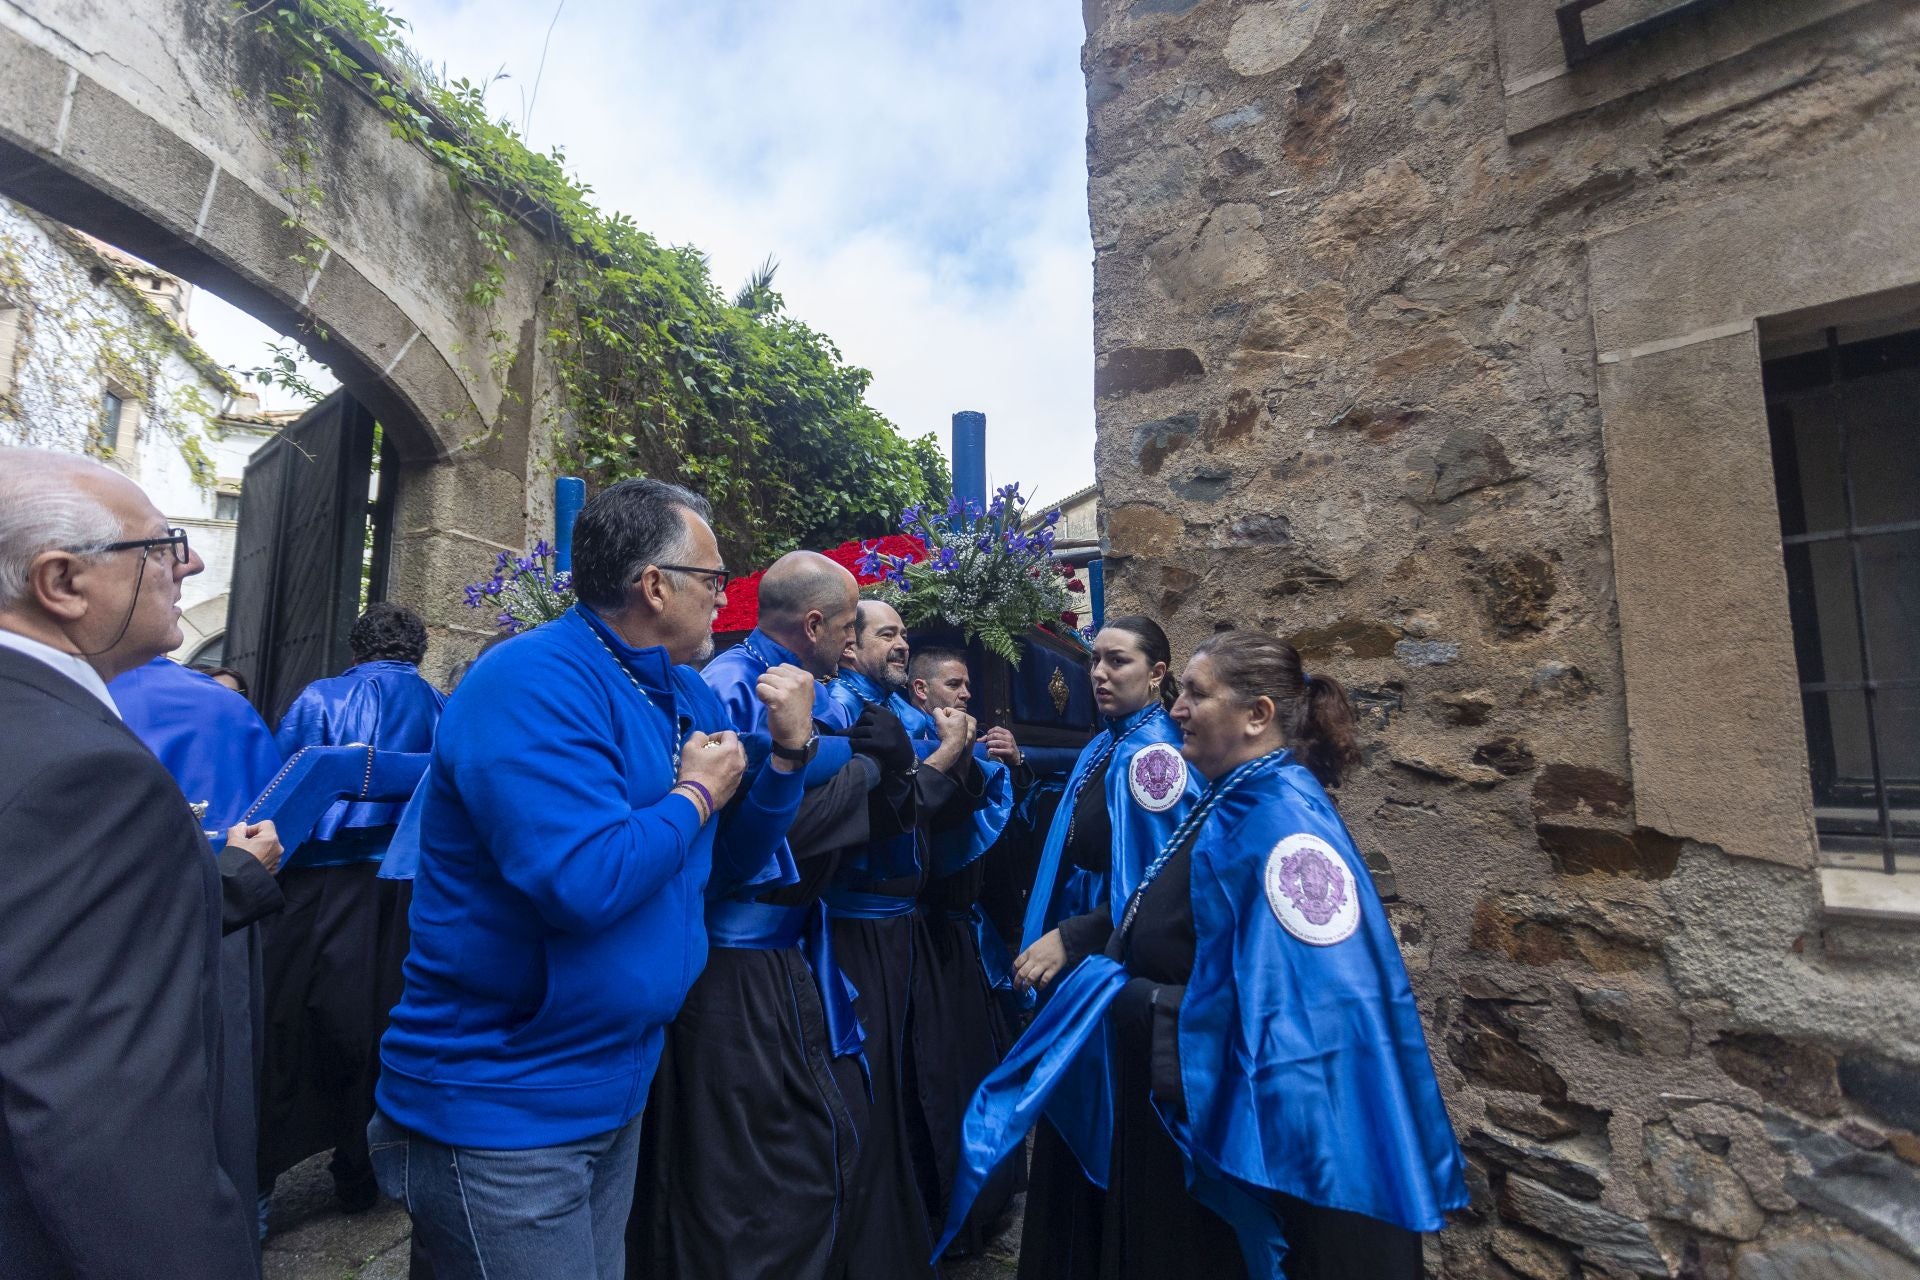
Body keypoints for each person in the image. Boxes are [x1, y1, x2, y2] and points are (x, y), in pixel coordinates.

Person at [370, 478, 812, 1280]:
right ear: (654, 585)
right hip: (503, 1101)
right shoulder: (532, 680)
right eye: (714, 581)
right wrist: (698, 792)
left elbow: (722, 871)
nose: (725, 600)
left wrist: (784, 760)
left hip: (614, 1081)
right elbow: (582, 880)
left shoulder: (675, 690)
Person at [955, 631, 1468, 1278]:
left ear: (1258, 716)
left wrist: (1128, 999)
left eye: (1197, 694)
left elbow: (1313, 1021)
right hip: (1178, 1120)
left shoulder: (1287, 830)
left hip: (1235, 1149)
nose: (1177, 708)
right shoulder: (1235, 796)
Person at [0, 447, 281, 1279]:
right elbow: (108, 1124)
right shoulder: (86, 774)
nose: (188, 563)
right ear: (62, 583)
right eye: (160, 547)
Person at [631, 550, 913, 1280]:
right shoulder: (728, 685)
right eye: (850, 627)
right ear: (814, 623)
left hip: (791, 950)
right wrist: (864, 768)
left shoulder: (817, 683)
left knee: (817, 1136)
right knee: (749, 1166)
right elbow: (746, 840)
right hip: (734, 968)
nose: (855, 644)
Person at [1011, 616, 1201, 1280]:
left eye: (1117, 662)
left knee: (1104, 1125)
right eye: (1094, 661)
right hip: (1084, 959)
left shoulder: (1153, 761)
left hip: (1108, 969)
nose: (1098, 674)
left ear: (1157, 673)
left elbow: (1153, 894)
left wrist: (1076, 934)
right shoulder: (1108, 745)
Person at [259, 602, 448, 1215]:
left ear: (356, 648)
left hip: (318, 883)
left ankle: (260, 1179)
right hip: (402, 883)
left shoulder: (319, 697)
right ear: (416, 651)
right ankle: (361, 1166)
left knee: (286, 1020)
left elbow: (275, 795)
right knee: (387, 1016)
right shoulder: (440, 704)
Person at [822, 599, 987, 1279]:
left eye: (903, 634)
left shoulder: (890, 711)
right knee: (873, 1092)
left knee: (913, 1082)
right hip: (857, 936)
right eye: (887, 634)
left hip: (904, 933)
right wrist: (946, 755)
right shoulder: (844, 710)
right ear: (849, 647)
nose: (901, 645)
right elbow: (882, 815)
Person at [109, 654, 288, 1241]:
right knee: (221, 1091)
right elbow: (277, 813)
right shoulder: (222, 708)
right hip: (219, 912)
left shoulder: (69, 698)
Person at [903, 646, 1026, 1257]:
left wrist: (1010, 767)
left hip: (968, 933)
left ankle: (990, 1197)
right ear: (921, 693)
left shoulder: (970, 747)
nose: (968, 694)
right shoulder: (913, 743)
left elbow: (1003, 851)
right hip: (930, 939)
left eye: (969, 684)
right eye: (956, 684)